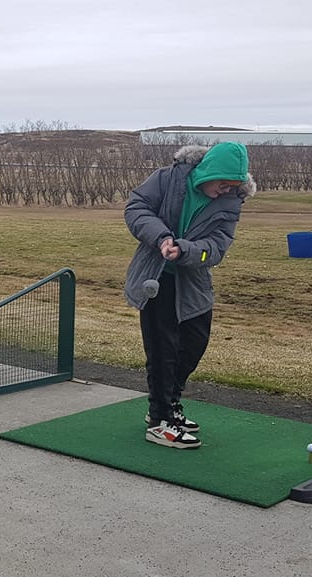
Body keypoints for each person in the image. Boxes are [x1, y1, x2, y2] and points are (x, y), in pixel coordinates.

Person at [123, 142, 253, 450]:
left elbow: (217, 247)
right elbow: (136, 208)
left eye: (232, 186)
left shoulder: (231, 202)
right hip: (155, 278)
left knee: (194, 344)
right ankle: (160, 421)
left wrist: (186, 250)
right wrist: (162, 238)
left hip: (193, 282)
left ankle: (170, 402)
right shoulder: (167, 178)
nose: (225, 191)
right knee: (162, 350)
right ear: (208, 172)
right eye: (223, 184)